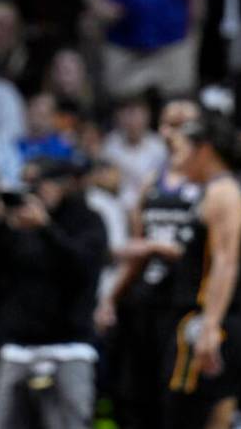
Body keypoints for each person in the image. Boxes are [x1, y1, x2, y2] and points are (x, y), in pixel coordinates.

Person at [94, 99, 202, 429]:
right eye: (168, 124)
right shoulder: (151, 184)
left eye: (183, 124)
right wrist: (111, 299)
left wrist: (156, 247)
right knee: (133, 398)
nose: (174, 133)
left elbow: (218, 254)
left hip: (187, 305)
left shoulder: (209, 183)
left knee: (179, 403)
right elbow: (138, 254)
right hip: (145, 303)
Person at [0, 157, 108, 429]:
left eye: (42, 183)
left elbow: (83, 272)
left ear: (64, 185)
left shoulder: (88, 221)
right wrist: (0, 226)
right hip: (18, 347)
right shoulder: (16, 226)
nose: (36, 191)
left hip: (70, 348)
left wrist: (47, 228)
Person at [160, 111, 241, 429]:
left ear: (204, 149)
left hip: (208, 321)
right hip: (204, 319)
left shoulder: (223, 193)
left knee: (190, 417)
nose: (175, 158)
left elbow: (225, 263)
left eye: (180, 149)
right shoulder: (213, 191)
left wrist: (210, 327)